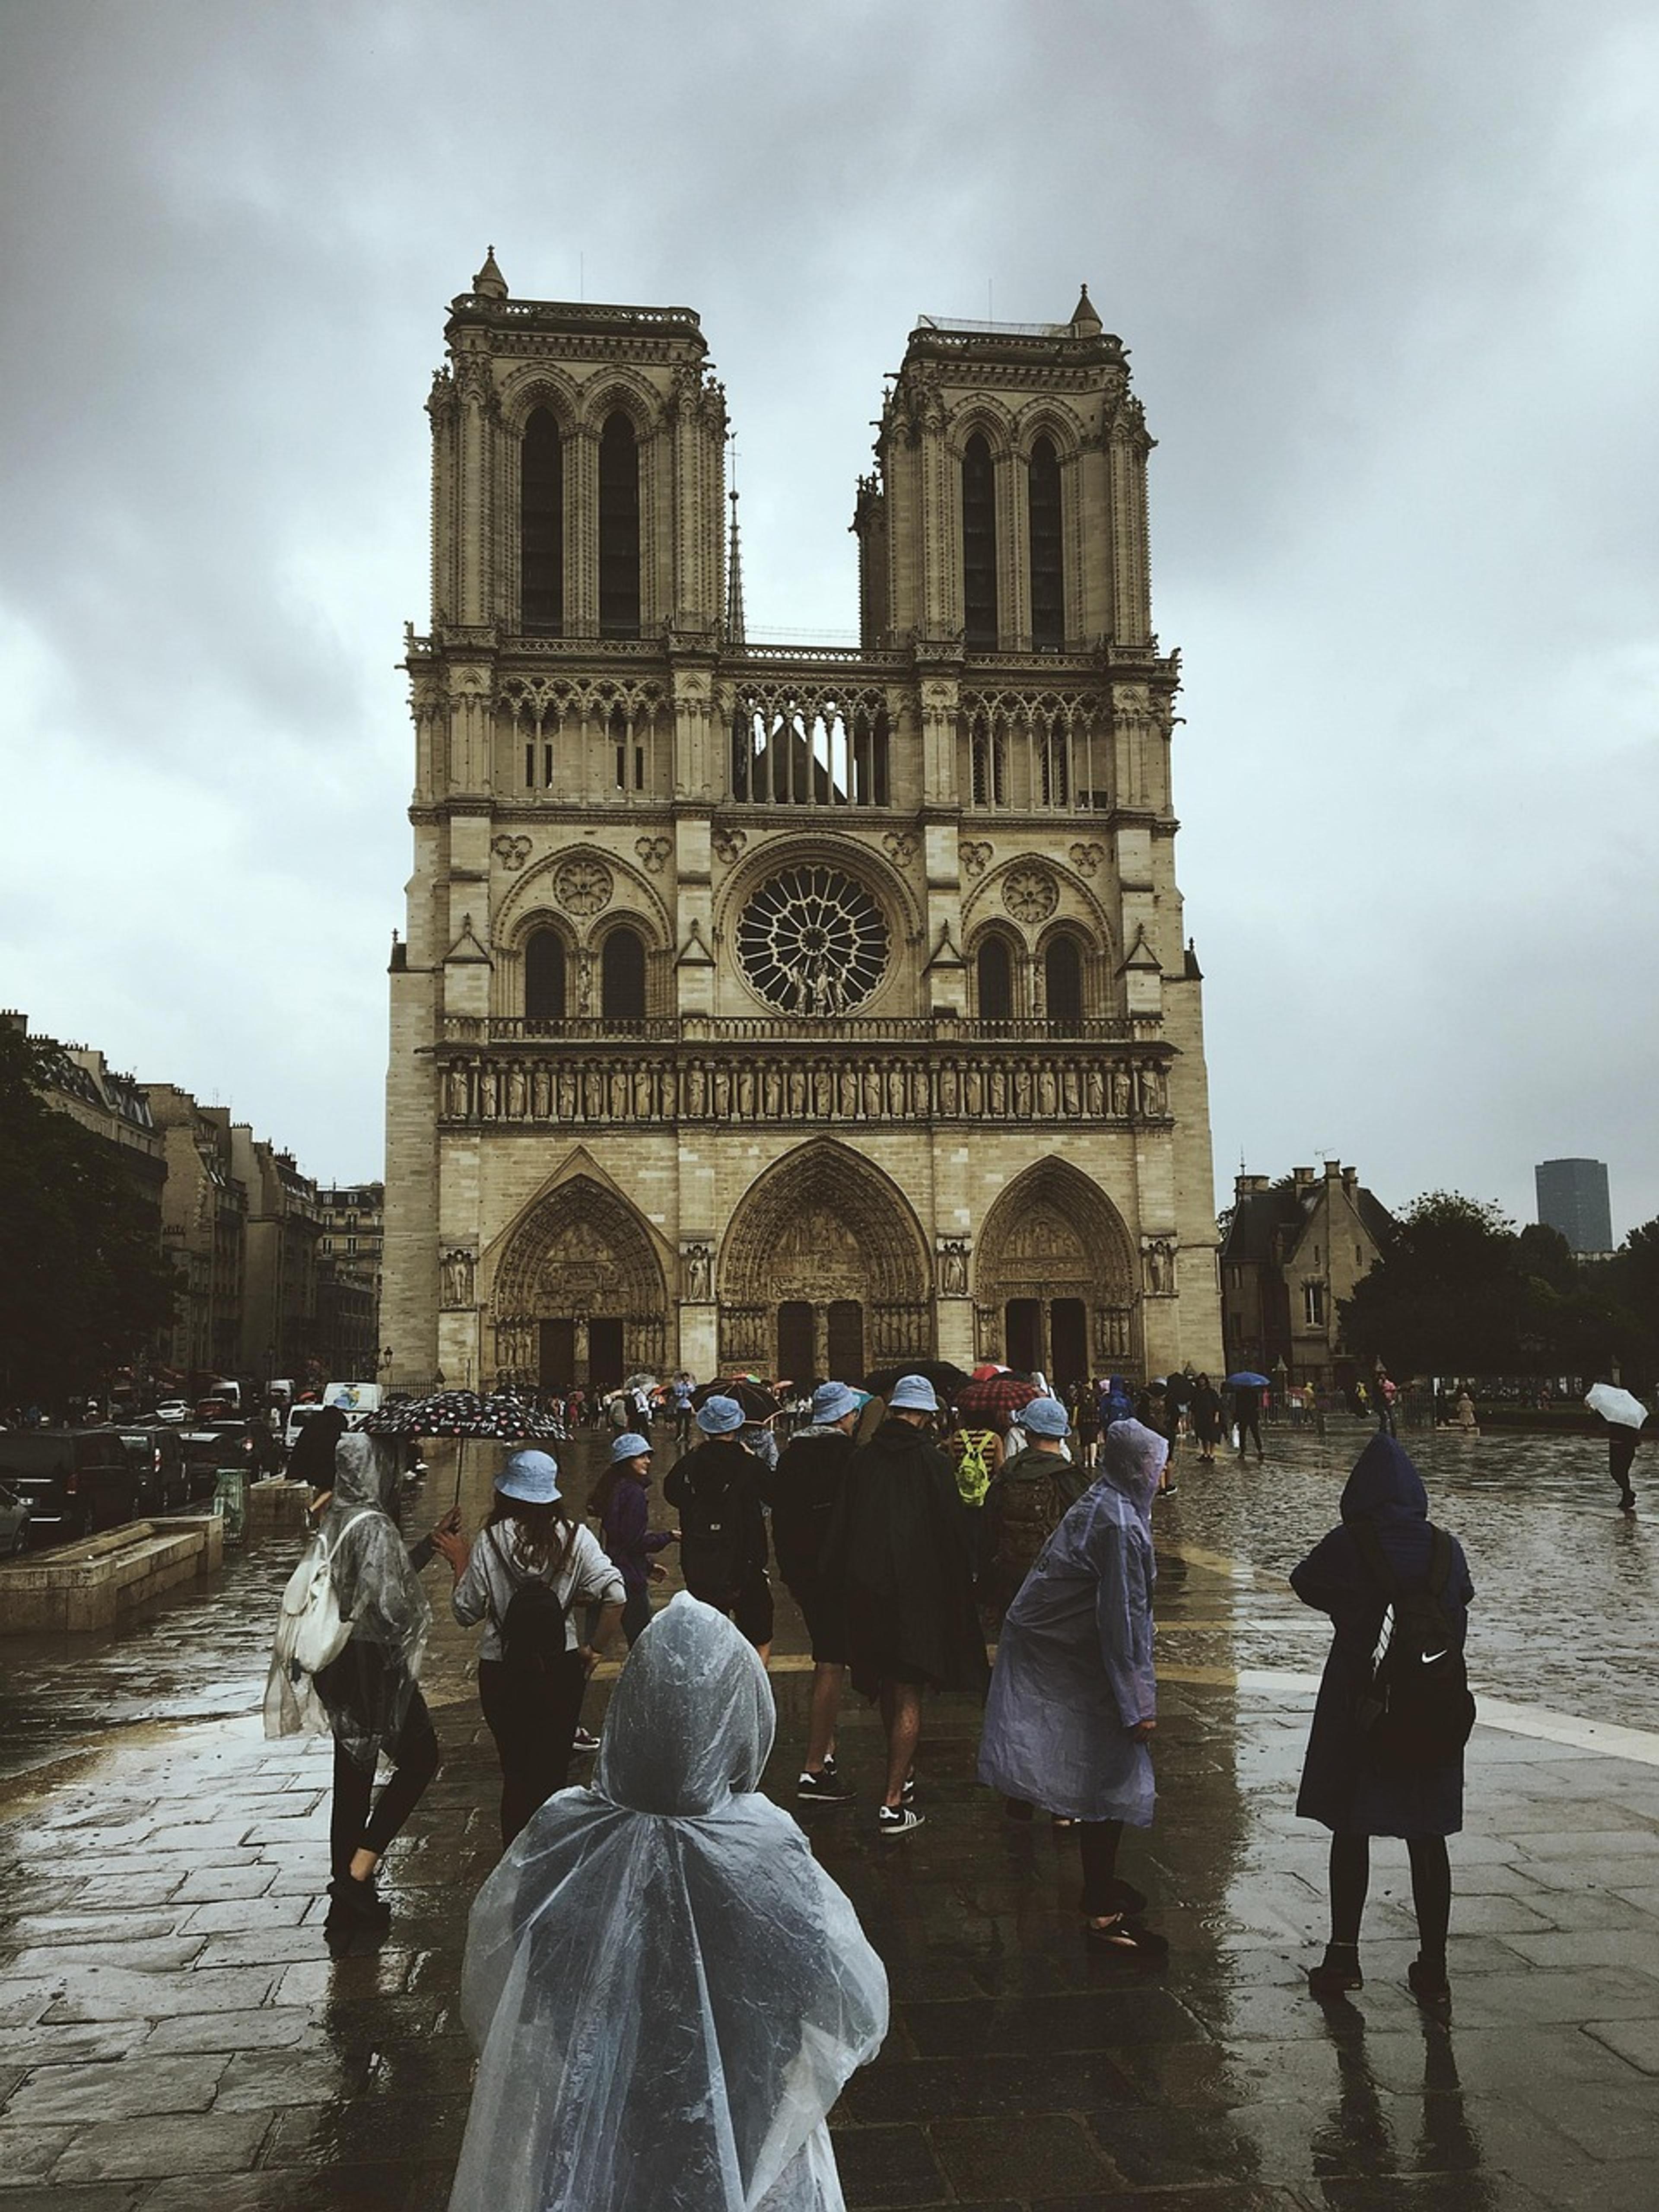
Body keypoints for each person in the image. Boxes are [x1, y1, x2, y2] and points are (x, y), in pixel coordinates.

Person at [447, 1595, 888, 2212]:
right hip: (745, 2142)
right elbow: (850, 2002)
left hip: (597, 2140)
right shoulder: (765, 1849)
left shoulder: (564, 1834)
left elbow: (512, 1983)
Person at [1290, 1435, 1474, 2005]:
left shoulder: (1351, 1543)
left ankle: (1343, 1956)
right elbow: (1459, 1612)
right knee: (1428, 1836)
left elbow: (1305, 1582)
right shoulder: (1447, 1547)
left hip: (1361, 1700)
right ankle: (1434, 1969)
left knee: (1352, 1825)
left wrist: (1355, 1613)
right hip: (1434, 1703)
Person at [977, 1419, 1169, 1960]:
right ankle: (1102, 1910)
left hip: (1065, 1649)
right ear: (1137, 1468)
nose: (1160, 1476)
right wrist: (1138, 1701)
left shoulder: (1105, 1501)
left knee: (1098, 1772)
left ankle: (1102, 1884)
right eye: (1155, 1465)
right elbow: (1122, 1619)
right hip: (1073, 1657)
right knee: (1106, 1775)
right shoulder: (1119, 1523)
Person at [265, 1430, 443, 1947]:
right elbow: (391, 1605)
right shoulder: (375, 1525)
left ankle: (350, 1898)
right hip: (371, 1665)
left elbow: (367, 1582)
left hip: (335, 1664)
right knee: (421, 1757)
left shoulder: (335, 1519)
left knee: (354, 1776)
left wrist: (429, 1544)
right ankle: (356, 1874)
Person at [820, 1374, 987, 1836]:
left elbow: (840, 1530)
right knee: (909, 1689)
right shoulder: (933, 1463)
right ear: (925, 1415)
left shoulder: (861, 1460)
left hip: (866, 1592)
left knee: (885, 1682)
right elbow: (954, 1533)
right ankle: (893, 1801)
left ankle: (904, 1771)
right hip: (915, 1595)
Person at [435, 1449, 625, 1847]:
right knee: (553, 1773)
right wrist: (594, 1650)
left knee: (516, 1773)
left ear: (508, 1494)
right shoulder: (575, 1537)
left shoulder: (490, 1540)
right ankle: (552, 1861)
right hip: (561, 1669)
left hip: (503, 1671)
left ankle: (516, 1861)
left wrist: (460, 1561)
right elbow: (616, 1594)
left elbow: (466, 1612)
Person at [762, 1379, 863, 1804]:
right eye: (853, 1413)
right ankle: (814, 1769)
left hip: (804, 1575)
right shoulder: (851, 1458)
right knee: (832, 1661)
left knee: (827, 1653)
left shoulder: (790, 1457)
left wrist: (792, 1574)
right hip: (840, 1575)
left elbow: (781, 1521)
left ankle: (829, 1749)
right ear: (842, 1416)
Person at [664, 1395, 773, 1654]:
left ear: (704, 1428)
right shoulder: (750, 1464)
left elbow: (672, 1494)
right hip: (747, 1564)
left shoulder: (690, 1463)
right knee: (759, 1638)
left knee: (707, 1641)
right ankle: (751, 1690)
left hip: (701, 1564)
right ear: (736, 1427)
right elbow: (777, 1494)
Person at [979, 1395, 1085, 1625]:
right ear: (1062, 1434)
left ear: (1027, 1433)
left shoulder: (1006, 1476)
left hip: (1010, 1582)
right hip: (1057, 1584)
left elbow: (988, 1533)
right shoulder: (1072, 1479)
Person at [588, 1430, 678, 1644]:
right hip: (628, 1579)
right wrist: (669, 1537)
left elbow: (619, 1539)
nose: (647, 1461)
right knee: (642, 1644)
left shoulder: (611, 1489)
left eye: (648, 1456)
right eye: (642, 1456)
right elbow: (634, 1542)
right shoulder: (634, 1493)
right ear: (627, 1461)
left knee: (592, 1644)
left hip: (603, 1573)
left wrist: (647, 1567)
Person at [1189, 1373, 1224, 1464]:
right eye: (1200, 1380)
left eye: (1203, 1380)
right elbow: (1193, 1406)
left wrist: (1217, 1416)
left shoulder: (1211, 1392)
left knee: (1212, 1436)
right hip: (1200, 1417)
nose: (1202, 1381)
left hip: (1211, 1417)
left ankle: (1212, 1454)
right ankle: (1205, 1453)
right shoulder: (1196, 1393)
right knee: (1203, 1436)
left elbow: (1217, 1405)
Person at [1232, 1380, 1265, 1462]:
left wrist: (1236, 1418)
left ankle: (1243, 1451)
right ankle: (1260, 1450)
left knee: (1243, 1434)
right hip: (1252, 1416)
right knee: (1255, 1434)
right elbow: (1257, 1405)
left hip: (1244, 1416)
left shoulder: (1239, 1393)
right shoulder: (1254, 1393)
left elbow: (1238, 1406)